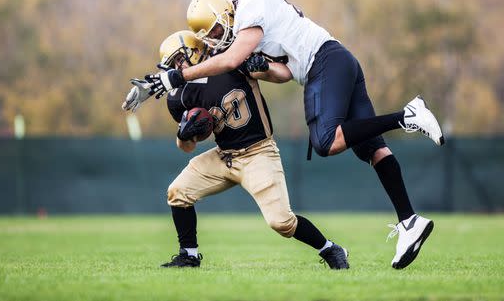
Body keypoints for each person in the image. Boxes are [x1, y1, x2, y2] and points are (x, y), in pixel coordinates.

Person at [142, 0, 445, 269]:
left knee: (326, 142)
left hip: (321, 65)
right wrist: (259, 67)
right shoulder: (236, 35)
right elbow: (282, 70)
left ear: (226, 15)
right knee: (372, 148)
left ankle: (406, 116)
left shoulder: (248, 10)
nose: (215, 39)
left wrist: (178, 76)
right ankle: (409, 221)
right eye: (209, 37)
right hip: (334, 62)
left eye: (217, 31)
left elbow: (233, 58)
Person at [125, 30, 349, 269]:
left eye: (180, 59)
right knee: (177, 191)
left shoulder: (230, 61)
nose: (178, 67)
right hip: (224, 155)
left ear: (197, 49)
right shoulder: (178, 96)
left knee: (281, 222)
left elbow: (281, 75)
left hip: (258, 152)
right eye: (172, 64)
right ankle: (189, 254)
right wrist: (184, 134)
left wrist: (264, 66)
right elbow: (187, 147)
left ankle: (330, 249)